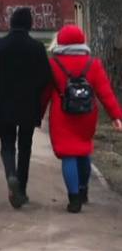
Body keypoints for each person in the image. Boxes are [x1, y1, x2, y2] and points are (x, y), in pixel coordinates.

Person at [42, 25, 122, 213]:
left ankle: (74, 199)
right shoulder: (93, 64)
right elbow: (105, 93)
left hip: (62, 115)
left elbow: (44, 93)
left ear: (61, 41)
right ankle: (83, 189)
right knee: (83, 151)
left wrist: (38, 114)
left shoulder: (53, 64)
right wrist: (116, 116)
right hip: (87, 115)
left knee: (68, 155)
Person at [0, 7, 51, 209]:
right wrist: (34, 92)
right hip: (29, 105)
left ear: (11, 23)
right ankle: (21, 189)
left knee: (7, 145)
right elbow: (46, 77)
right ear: (29, 24)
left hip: (5, 103)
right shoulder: (37, 47)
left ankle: (11, 175)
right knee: (26, 147)